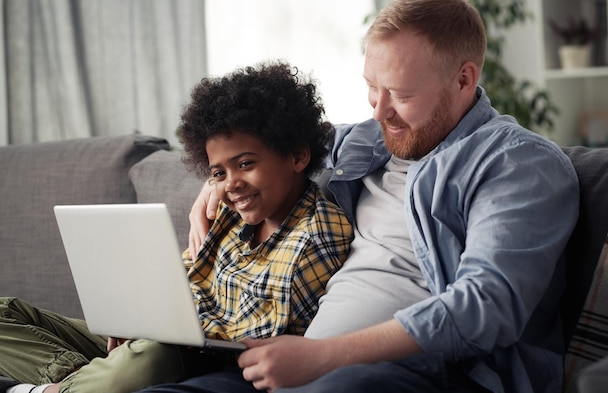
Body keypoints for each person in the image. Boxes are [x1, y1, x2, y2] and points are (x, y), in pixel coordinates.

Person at [137, 0, 580, 393]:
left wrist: (323, 356)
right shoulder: (367, 142)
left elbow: (486, 306)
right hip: (304, 364)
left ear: (464, 79)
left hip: (436, 373)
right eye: (372, 88)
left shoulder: (516, 163)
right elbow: (270, 146)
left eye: (401, 94)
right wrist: (214, 186)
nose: (381, 111)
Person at [0, 62, 352, 393]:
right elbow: (187, 276)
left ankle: (62, 386)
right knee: (4, 310)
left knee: (151, 358)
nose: (231, 184)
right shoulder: (231, 215)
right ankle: (86, 380)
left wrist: (156, 331)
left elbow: (250, 338)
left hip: (200, 360)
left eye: (245, 164)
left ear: (297, 156)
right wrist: (133, 318)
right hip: (159, 339)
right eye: (218, 173)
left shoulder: (317, 234)